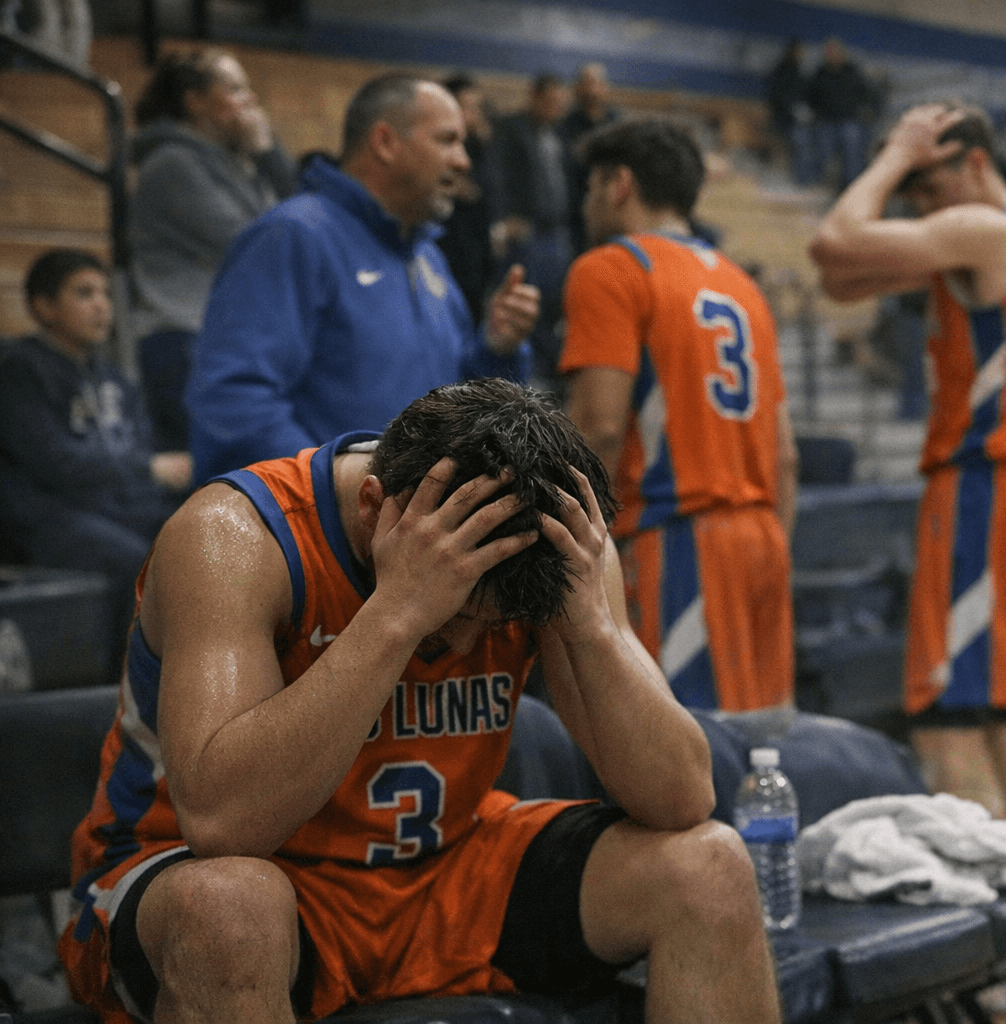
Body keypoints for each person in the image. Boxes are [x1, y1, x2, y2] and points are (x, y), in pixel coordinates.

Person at [57, 378, 782, 1024]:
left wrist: (588, 620)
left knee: (708, 867)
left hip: (441, 864)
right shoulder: (233, 540)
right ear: (375, 510)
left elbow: (682, 797)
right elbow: (222, 823)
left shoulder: (550, 542)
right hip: (238, 877)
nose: (465, 648)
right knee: (228, 910)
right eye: (455, 615)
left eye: (491, 624)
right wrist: (400, 613)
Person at [808, 103, 1006, 821]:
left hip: (985, 488)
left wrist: (896, 153)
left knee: (944, 720)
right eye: (913, 192)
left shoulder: (985, 229)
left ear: (978, 164)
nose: (922, 205)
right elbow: (842, 281)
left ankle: (980, 904)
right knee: (1003, 723)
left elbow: (833, 242)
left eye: (930, 185)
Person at [560, 119, 798, 738]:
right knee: (763, 747)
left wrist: (571, 547)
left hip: (678, 541)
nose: (583, 203)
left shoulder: (611, 268)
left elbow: (600, 426)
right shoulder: (742, 282)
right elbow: (786, 452)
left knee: (675, 756)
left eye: (589, 186)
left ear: (619, 185)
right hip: (763, 535)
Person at [184, 73, 539, 484]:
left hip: (399, 534)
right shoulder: (292, 237)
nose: (463, 160)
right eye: (447, 140)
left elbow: (456, 401)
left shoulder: (427, 257)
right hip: (315, 533)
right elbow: (233, 401)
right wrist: (345, 493)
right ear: (386, 142)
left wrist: (496, 348)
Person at [0, 249, 191, 673]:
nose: (102, 304)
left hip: (112, 509)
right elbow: (51, 463)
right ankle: (119, 687)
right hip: (43, 518)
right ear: (43, 306)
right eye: (84, 293)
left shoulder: (113, 377)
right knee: (133, 559)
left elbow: (140, 448)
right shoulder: (18, 370)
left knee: (194, 531)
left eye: (105, 292)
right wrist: (148, 470)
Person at [127, 47, 297, 453]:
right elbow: (262, 244)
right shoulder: (171, 164)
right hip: (182, 341)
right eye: (235, 88)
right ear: (195, 101)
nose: (250, 100)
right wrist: (264, 152)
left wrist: (267, 154)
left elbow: (304, 223)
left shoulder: (237, 165)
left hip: (219, 337)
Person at [490, 72, 575, 388]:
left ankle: (550, 374)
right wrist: (503, 220)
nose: (557, 108)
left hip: (559, 234)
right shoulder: (513, 129)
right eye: (551, 101)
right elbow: (497, 176)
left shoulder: (560, 136)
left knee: (554, 306)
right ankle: (527, 377)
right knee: (529, 306)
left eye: (561, 103)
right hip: (529, 235)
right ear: (536, 98)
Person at [436, 73, 500, 326]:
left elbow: (488, 193)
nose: (475, 113)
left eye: (477, 107)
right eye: (468, 106)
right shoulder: (439, 148)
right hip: (449, 252)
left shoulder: (481, 146)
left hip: (477, 256)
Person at [559, 63, 622, 254]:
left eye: (595, 83)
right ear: (578, 88)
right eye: (586, 84)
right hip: (574, 216)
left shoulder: (616, 124)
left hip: (612, 211)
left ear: (605, 88)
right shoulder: (565, 125)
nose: (591, 90)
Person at [804, 38, 876, 191]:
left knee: (853, 159)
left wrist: (869, 110)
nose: (831, 56)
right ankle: (823, 190)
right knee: (823, 157)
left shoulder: (853, 73)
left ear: (842, 54)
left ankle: (850, 191)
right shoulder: (820, 74)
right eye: (828, 53)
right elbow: (810, 96)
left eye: (835, 52)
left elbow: (868, 94)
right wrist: (814, 111)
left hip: (850, 121)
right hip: (826, 122)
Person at [765, 38, 815, 186]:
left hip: (798, 120)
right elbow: (778, 96)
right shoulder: (782, 70)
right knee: (800, 143)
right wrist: (793, 110)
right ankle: (799, 182)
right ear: (792, 51)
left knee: (807, 144)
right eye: (799, 51)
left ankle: (802, 181)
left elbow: (806, 95)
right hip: (783, 120)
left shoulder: (800, 71)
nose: (802, 54)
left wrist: (805, 111)